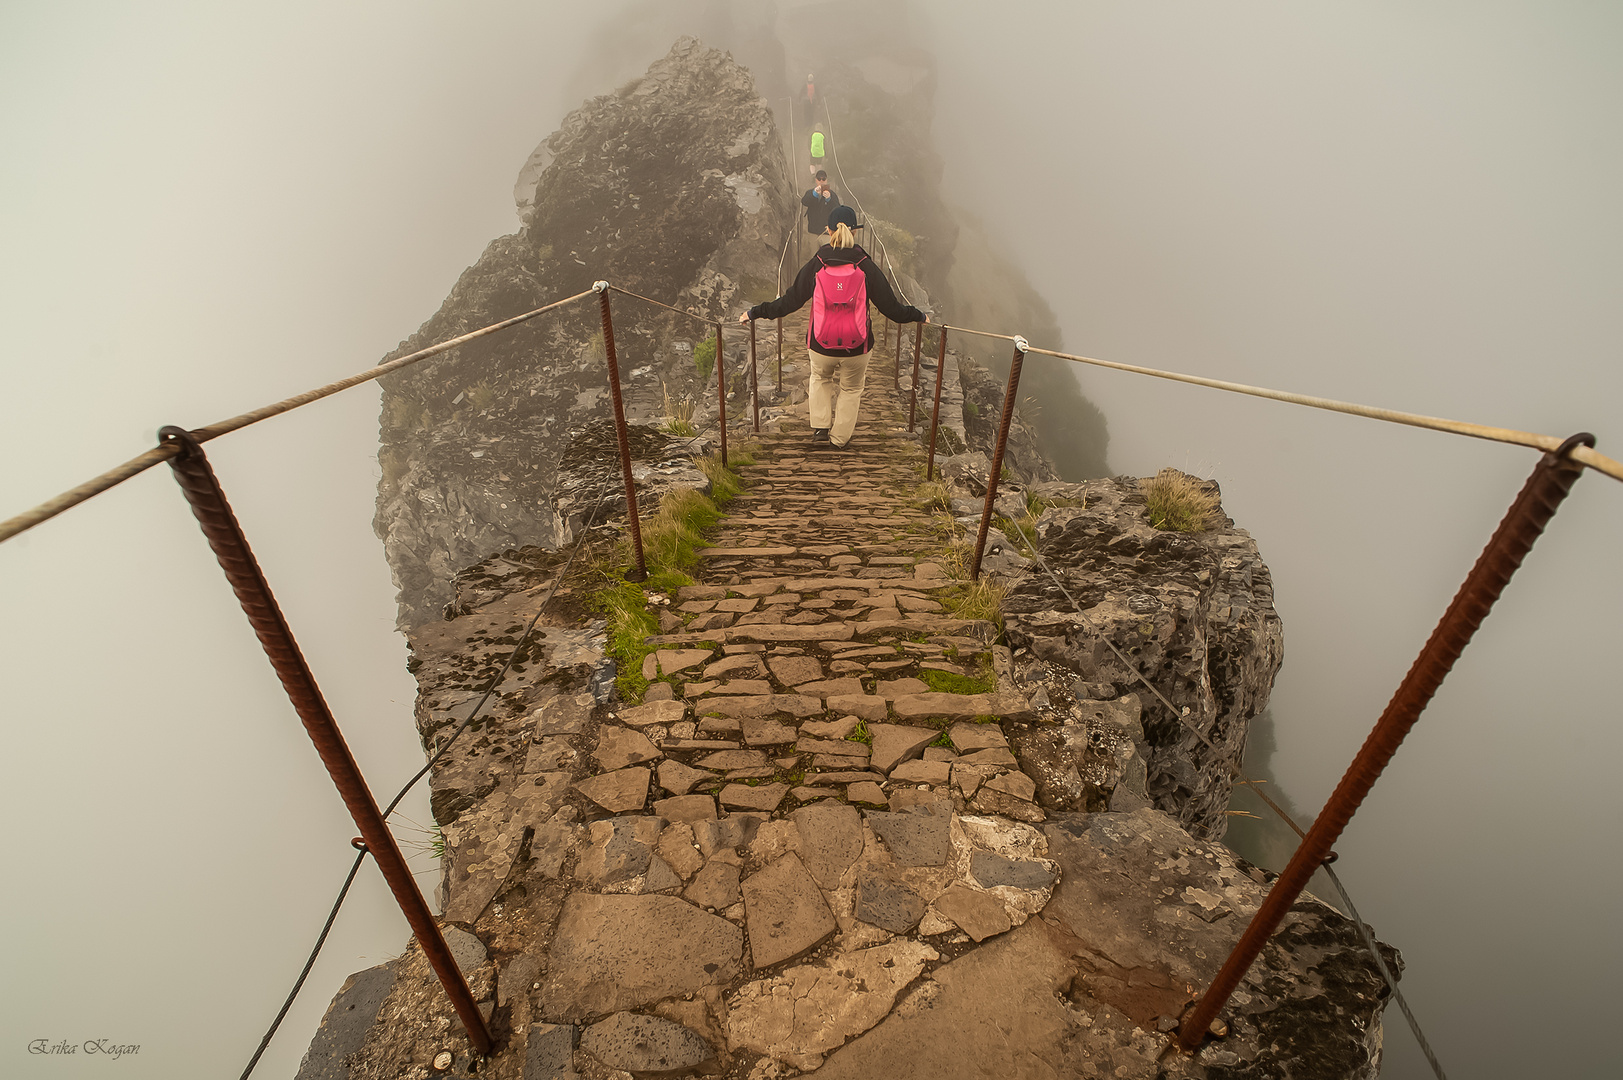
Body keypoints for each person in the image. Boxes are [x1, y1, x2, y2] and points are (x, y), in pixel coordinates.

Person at [740, 205, 927, 450]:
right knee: (851, 389)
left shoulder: (817, 263)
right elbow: (891, 308)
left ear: (828, 230)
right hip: (858, 346)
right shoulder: (865, 265)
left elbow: (791, 301)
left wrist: (756, 312)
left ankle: (820, 428)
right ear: (856, 232)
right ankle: (839, 439)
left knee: (819, 377)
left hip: (820, 343)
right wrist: (919, 315)